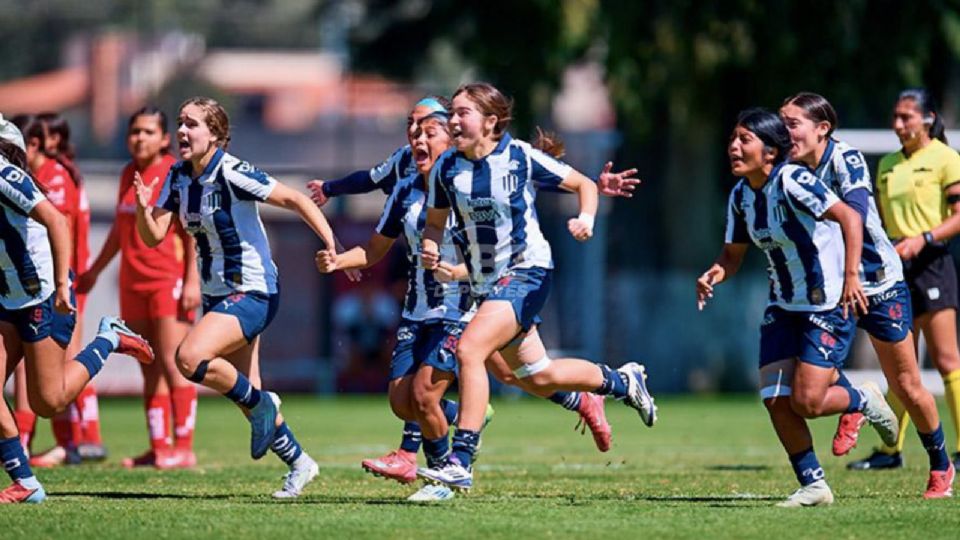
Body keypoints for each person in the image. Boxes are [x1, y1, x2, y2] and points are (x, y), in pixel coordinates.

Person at [415, 82, 657, 492]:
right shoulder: (446, 169)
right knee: (537, 377)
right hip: (487, 286)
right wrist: (430, 248)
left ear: (490, 121)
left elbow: (584, 185)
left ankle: (461, 459)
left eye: (462, 113)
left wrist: (586, 220)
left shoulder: (519, 157)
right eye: (451, 113)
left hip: (528, 272)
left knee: (470, 350)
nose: (452, 121)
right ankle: (622, 381)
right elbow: (435, 224)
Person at [134, 96, 336, 498]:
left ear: (215, 134)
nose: (181, 131)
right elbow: (153, 236)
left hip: (253, 290)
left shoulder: (232, 172)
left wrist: (333, 245)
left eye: (192, 124)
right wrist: (143, 209)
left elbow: (296, 199)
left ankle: (264, 403)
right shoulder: (177, 176)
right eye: (180, 122)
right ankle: (300, 463)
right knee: (248, 395)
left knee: (189, 358)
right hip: (217, 295)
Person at [696, 108, 899, 507]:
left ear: (770, 152)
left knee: (807, 402)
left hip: (825, 305)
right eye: (733, 138)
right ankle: (814, 485)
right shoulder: (740, 197)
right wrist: (715, 273)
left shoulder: (793, 180)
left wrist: (852, 276)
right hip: (783, 305)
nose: (733, 146)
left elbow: (849, 218)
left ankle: (863, 400)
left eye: (744, 140)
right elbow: (732, 255)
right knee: (775, 398)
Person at [780, 92, 953, 497]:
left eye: (792, 124)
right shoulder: (789, 169)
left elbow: (854, 216)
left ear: (822, 129)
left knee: (907, 384)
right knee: (808, 390)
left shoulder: (846, 159)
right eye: (781, 123)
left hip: (878, 283)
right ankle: (858, 401)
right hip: (830, 290)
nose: (784, 132)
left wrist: (853, 274)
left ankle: (941, 464)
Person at [0, 114, 153, 503]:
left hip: (40, 294)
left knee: (48, 401)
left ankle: (108, 338)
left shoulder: (3, 173)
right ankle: (25, 482)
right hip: (7, 297)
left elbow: (57, 221)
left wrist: (62, 286)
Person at [78, 106, 202, 469]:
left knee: (174, 361)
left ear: (164, 139)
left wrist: (192, 279)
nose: (140, 138)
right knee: (148, 365)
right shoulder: (127, 174)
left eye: (148, 132)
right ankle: (159, 446)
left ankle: (184, 447)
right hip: (133, 282)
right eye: (135, 131)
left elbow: (190, 231)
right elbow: (120, 230)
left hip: (168, 280)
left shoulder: (176, 173)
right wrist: (95, 271)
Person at [848, 88, 960, 472]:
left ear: (928, 119)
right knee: (901, 366)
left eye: (906, 117)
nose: (898, 124)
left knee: (946, 359)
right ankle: (890, 449)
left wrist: (923, 239)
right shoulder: (888, 164)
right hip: (894, 269)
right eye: (895, 117)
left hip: (932, 263)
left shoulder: (946, 158)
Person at [14, 114, 106, 466]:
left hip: (57, 284)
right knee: (42, 369)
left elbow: (57, 226)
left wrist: (64, 283)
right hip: (36, 284)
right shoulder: (41, 174)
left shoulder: (54, 176)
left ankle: (73, 441)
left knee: (56, 367)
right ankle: (42, 444)